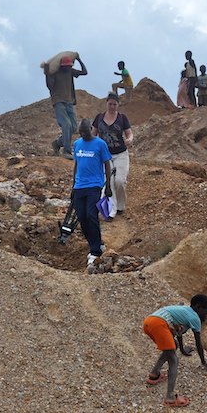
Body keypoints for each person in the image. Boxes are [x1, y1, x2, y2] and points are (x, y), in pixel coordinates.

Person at [143, 294, 207, 407]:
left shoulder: (184, 311)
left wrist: (182, 349)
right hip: (159, 324)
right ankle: (170, 397)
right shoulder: (195, 318)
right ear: (198, 307)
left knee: (172, 347)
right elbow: (198, 343)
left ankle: (154, 374)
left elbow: (178, 334)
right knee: (174, 360)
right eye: (206, 313)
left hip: (149, 322)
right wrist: (203, 361)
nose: (206, 317)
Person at [71, 118, 112, 268]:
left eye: (86, 131)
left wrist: (108, 185)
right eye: (81, 132)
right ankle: (95, 242)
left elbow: (107, 164)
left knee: (91, 215)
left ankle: (95, 251)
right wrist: (73, 185)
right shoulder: (77, 144)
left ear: (91, 129)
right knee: (81, 217)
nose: (83, 134)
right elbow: (76, 165)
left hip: (95, 185)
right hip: (79, 186)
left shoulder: (100, 144)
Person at [93, 93, 133, 219]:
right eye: (110, 104)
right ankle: (111, 211)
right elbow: (93, 134)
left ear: (118, 105)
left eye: (114, 104)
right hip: (105, 155)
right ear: (106, 103)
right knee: (108, 182)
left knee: (119, 181)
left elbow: (129, 134)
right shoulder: (99, 117)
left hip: (121, 153)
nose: (112, 106)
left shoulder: (122, 118)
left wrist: (130, 139)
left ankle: (120, 205)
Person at [46, 54, 88, 158]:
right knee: (66, 125)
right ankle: (66, 151)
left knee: (73, 127)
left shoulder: (70, 71)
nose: (68, 68)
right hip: (59, 102)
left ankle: (57, 143)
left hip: (69, 102)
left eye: (70, 66)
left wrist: (79, 59)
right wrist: (47, 74)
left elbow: (84, 72)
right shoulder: (54, 73)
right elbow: (50, 86)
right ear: (62, 66)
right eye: (67, 66)